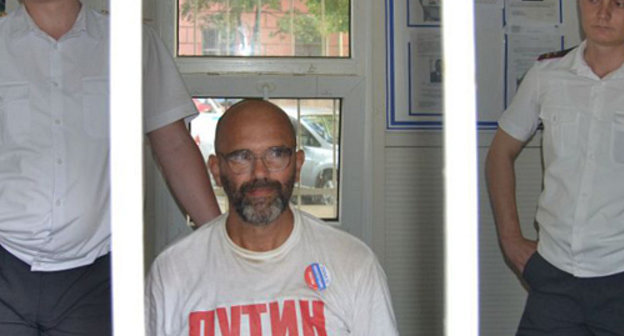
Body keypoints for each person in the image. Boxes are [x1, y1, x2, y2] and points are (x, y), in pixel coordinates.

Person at [0, 0, 220, 335]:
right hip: (6, 263)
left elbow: (173, 145)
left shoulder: (132, 41)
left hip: (96, 277)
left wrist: (219, 240)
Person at [145, 99, 398, 336]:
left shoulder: (353, 263)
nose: (260, 173)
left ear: (297, 165)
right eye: (241, 157)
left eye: (276, 154)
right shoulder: (173, 272)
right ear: (216, 171)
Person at [485, 0, 624, 334]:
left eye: (617, 3)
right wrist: (511, 240)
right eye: (594, 0)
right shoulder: (548, 74)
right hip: (553, 278)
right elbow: (499, 154)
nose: (602, 13)